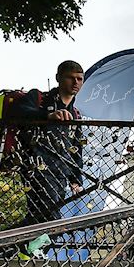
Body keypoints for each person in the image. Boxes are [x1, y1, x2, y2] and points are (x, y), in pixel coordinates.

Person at [8, 60, 85, 228]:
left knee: (40, 218)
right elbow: (17, 113)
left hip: (61, 174)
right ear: (58, 78)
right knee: (50, 220)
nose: (75, 83)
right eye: (70, 78)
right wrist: (46, 115)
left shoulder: (76, 114)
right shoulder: (38, 98)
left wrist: (76, 178)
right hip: (34, 166)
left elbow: (76, 148)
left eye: (79, 79)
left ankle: (11, 249)